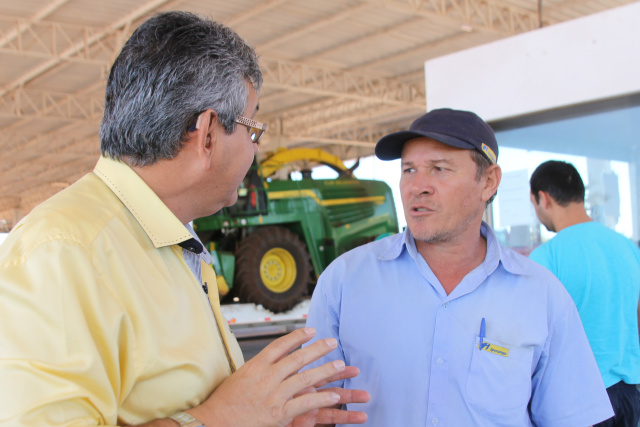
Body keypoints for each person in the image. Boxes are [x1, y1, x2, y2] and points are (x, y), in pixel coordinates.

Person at [0, 12, 369, 427]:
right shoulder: (62, 255)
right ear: (208, 133)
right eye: (252, 130)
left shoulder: (168, 244)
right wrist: (222, 418)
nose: (253, 151)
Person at [302, 108, 614, 427]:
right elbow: (314, 411)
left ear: (488, 181)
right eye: (409, 170)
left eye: (439, 168)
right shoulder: (344, 282)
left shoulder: (542, 295)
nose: (418, 186)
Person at [529, 160, 640, 427]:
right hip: (629, 394)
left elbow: (531, 335)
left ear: (542, 198)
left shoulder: (546, 257)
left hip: (578, 398)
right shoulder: (628, 247)